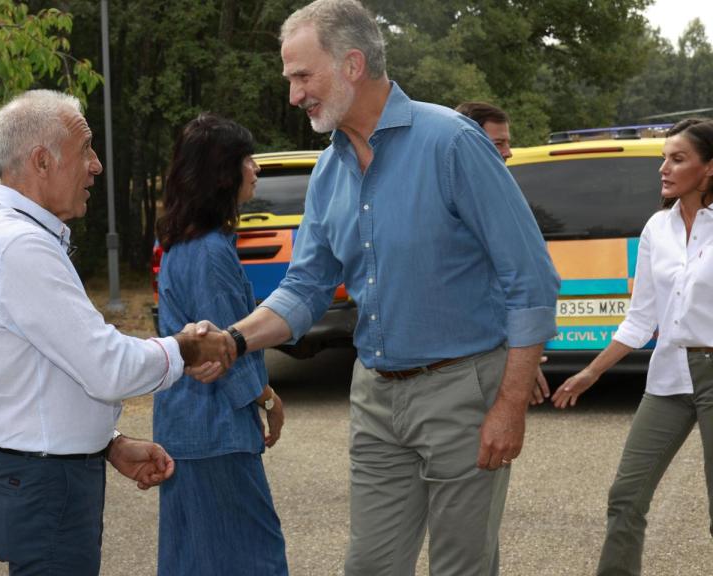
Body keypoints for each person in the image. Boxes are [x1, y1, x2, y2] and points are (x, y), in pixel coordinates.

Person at [212, 1, 561, 574]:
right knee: (370, 565)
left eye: (303, 76)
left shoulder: (452, 143)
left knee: (461, 566)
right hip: (375, 395)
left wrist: (509, 402)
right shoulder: (329, 170)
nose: (295, 95)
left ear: (352, 64)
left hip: (462, 391)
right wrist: (231, 341)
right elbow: (306, 287)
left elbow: (530, 279)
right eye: (291, 80)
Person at [0, 89, 235, 576]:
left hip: (42, 476)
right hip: (46, 482)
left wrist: (109, 441)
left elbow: (49, 374)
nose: (97, 166)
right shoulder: (19, 247)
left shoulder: (11, 237)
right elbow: (107, 367)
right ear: (42, 161)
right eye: (86, 150)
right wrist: (185, 348)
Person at [551, 118, 713, 575]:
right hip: (668, 378)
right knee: (625, 497)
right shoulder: (656, 229)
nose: (663, 167)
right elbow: (642, 316)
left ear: (708, 169)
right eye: (664, 157)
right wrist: (591, 371)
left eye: (678, 158)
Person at [153, 114, 289, 576]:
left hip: (186, 431)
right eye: (246, 159)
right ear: (222, 173)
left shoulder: (179, 245)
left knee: (195, 559)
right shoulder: (211, 251)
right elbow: (226, 349)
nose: (255, 168)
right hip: (215, 435)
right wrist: (266, 398)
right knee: (255, 557)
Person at [456, 100, 553, 404]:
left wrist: (519, 358)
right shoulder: (452, 201)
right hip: (462, 364)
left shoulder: (496, 191)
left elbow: (514, 282)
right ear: (470, 142)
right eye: (499, 143)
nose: (509, 152)